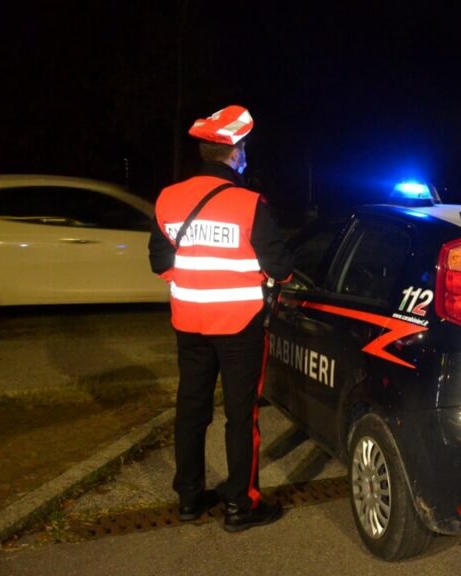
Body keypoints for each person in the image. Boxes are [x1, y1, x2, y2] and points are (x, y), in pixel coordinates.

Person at [148, 104, 293, 532]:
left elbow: (160, 263)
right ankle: (240, 506)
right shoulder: (250, 204)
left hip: (188, 323)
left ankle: (189, 499)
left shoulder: (168, 198)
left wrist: (197, 282)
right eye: (244, 149)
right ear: (235, 153)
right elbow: (280, 267)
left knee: (191, 409)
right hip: (239, 326)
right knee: (240, 415)